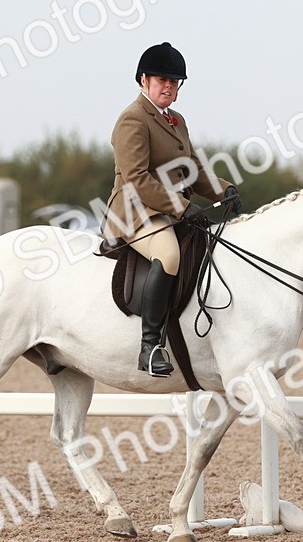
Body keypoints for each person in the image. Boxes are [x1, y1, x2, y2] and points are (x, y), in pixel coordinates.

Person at [101, 42, 240, 377]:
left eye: (174, 81)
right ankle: (149, 347)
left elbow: (191, 166)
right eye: (162, 79)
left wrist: (224, 189)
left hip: (170, 209)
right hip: (135, 212)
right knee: (170, 254)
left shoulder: (176, 120)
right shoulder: (132, 120)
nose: (168, 86)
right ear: (144, 80)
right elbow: (136, 179)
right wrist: (182, 207)